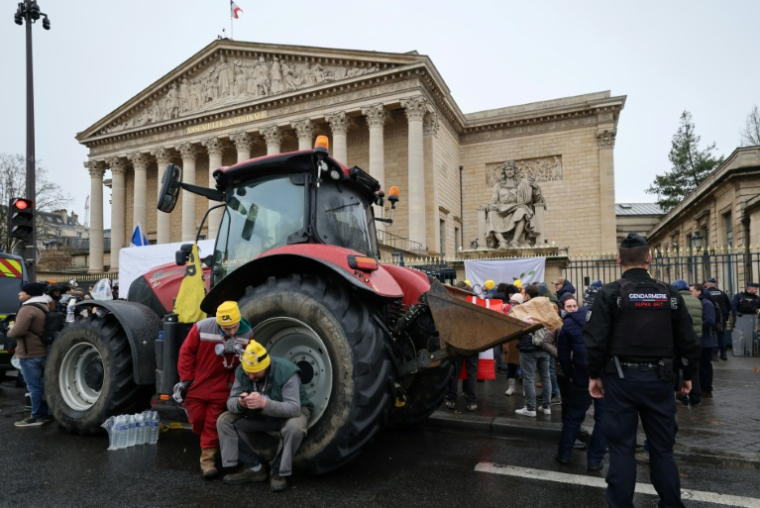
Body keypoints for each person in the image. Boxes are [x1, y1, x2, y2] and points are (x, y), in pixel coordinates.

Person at [584, 232, 700, 508]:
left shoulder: (610, 293)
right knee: (662, 450)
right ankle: (671, 504)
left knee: (622, 449)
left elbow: (595, 340)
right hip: (660, 380)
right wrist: (687, 375)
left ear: (618, 260)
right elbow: (688, 340)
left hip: (620, 380)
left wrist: (594, 375)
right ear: (649, 258)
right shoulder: (669, 293)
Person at [218, 341, 314, 492]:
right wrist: (240, 403)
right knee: (225, 421)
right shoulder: (242, 371)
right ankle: (254, 468)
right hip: (260, 416)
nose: (250, 375)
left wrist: (264, 404)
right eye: (247, 372)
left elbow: (294, 409)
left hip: (288, 415)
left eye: (254, 372)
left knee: (295, 428)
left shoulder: (287, 371)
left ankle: (278, 473)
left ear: (265, 366)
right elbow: (231, 401)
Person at [176, 301, 254, 479]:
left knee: (212, 424)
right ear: (219, 323)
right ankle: (208, 445)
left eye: (234, 327)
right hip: (197, 386)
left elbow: (250, 361)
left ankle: (208, 463)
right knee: (197, 420)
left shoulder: (248, 334)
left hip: (222, 388)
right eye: (227, 329)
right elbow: (186, 353)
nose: (232, 332)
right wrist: (187, 380)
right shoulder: (201, 328)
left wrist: (238, 385)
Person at [556, 295, 606, 470]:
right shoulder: (608, 319)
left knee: (574, 416)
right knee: (603, 418)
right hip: (604, 375)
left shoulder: (569, 323)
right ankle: (594, 460)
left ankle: (564, 454)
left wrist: (569, 374)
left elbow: (563, 355)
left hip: (581, 375)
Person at [8, 282, 54, 427]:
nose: (19, 294)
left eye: (22, 291)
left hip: (29, 354)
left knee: (34, 387)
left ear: (30, 293)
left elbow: (18, 331)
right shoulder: (44, 306)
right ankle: (44, 413)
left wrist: (9, 330)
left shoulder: (27, 309)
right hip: (42, 351)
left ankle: (37, 416)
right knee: (42, 385)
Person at [512, 293, 553, 417]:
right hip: (544, 348)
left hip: (528, 349)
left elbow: (517, 331)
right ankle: (546, 406)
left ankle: (530, 408)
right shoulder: (546, 313)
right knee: (546, 377)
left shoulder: (524, 313)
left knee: (528, 378)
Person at [486, 161, 543, 248]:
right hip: (502, 209)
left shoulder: (522, 183)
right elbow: (494, 199)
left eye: (511, 169)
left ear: (514, 170)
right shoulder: (498, 186)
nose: (509, 171)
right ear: (504, 171)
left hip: (516, 207)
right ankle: (502, 241)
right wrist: (491, 205)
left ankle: (515, 241)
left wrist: (536, 188)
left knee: (522, 211)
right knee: (491, 213)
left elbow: (536, 198)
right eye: (507, 169)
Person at [689, 283, 716, 404]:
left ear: (699, 292)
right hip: (700, 339)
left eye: (691, 291)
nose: (690, 293)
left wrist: (693, 327)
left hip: (705, 340)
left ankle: (706, 389)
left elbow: (710, 320)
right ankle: (700, 388)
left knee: (705, 367)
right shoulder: (699, 302)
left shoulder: (706, 303)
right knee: (699, 366)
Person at [703, 278, 731, 360]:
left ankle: (714, 354)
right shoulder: (722, 293)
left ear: (707, 285)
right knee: (721, 335)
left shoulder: (706, 293)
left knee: (712, 334)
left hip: (710, 317)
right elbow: (728, 306)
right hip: (721, 318)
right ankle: (723, 353)